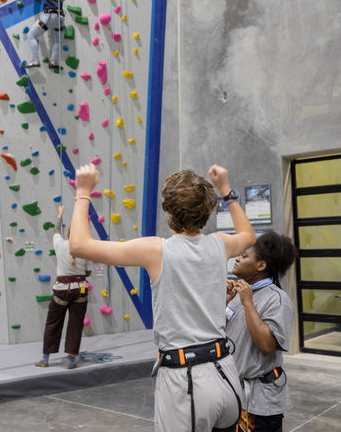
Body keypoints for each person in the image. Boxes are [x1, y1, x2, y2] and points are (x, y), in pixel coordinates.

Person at [69, 163, 255, 432]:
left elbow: (78, 245)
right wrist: (225, 188)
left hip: (186, 381)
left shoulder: (157, 250)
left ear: (168, 211)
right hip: (226, 373)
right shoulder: (220, 244)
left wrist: (83, 191)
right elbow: (248, 235)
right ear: (207, 210)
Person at [225, 231, 297, 432]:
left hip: (260, 403)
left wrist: (248, 303)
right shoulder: (238, 294)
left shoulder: (277, 299)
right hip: (232, 395)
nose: (237, 259)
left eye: (244, 256)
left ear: (261, 265)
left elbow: (266, 345)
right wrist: (225, 302)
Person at [35, 205, 91, 369]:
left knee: (53, 323)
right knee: (76, 325)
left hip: (61, 290)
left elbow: (56, 230)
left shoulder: (59, 244)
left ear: (68, 233)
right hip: (80, 290)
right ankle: (71, 361)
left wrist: (60, 214)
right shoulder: (85, 250)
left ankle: (45, 359)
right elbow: (87, 272)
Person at [25, 0, 64, 70]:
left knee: (31, 35)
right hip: (60, 18)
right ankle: (53, 61)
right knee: (58, 41)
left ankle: (35, 60)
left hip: (49, 16)